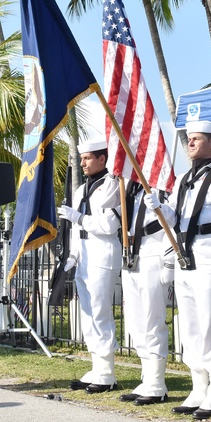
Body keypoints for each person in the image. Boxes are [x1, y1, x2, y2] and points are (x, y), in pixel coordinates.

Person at [145, 121, 211, 420]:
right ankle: (198, 386)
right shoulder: (183, 178)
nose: (191, 144)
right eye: (189, 139)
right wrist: (159, 207)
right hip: (186, 256)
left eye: (197, 139)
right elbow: (175, 220)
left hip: (210, 256)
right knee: (190, 325)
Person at [57, 139, 123, 393]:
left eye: (87, 158)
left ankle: (107, 371)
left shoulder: (111, 185)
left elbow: (108, 226)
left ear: (102, 159)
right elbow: (75, 229)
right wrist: (73, 255)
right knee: (87, 314)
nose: (82, 163)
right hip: (84, 253)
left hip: (102, 253)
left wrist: (80, 217)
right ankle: (97, 366)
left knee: (100, 312)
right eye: (81, 158)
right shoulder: (80, 189)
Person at [119, 181, 170, 405]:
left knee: (153, 320)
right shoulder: (129, 187)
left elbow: (174, 220)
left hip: (153, 252)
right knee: (135, 321)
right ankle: (147, 376)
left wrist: (168, 260)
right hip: (131, 255)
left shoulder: (163, 184)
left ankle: (157, 382)